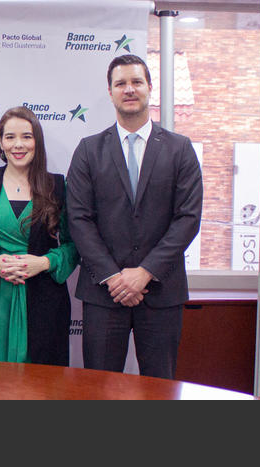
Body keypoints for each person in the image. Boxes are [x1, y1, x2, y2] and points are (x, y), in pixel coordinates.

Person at [66, 54, 203, 379]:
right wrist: (115, 277)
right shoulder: (89, 150)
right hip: (104, 291)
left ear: (150, 88)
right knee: (96, 388)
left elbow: (188, 217)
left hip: (161, 290)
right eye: (121, 83)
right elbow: (79, 219)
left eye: (136, 82)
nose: (129, 89)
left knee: (160, 388)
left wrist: (144, 273)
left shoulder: (179, 149)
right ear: (111, 92)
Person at [0, 106, 79, 366]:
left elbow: (73, 246)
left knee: (39, 385)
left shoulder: (58, 186)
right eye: (9, 137)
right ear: (0, 143)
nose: (18, 144)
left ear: (37, 141)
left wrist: (44, 263)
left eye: (26, 136)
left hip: (42, 300)